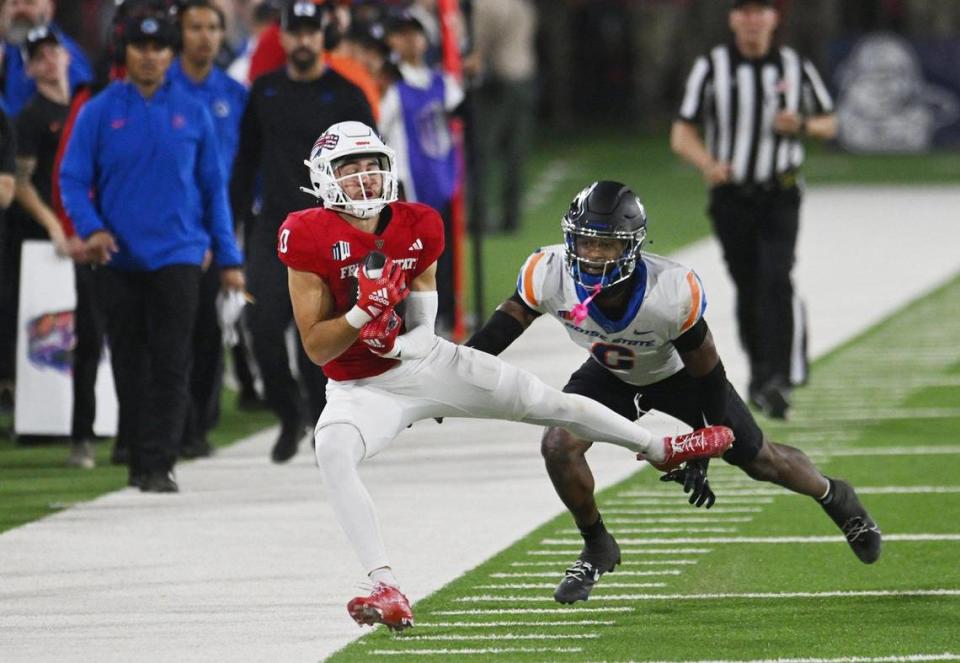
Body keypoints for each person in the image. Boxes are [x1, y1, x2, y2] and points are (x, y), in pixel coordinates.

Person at [279, 121, 734, 631]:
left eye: (372, 167)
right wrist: (365, 314)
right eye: (350, 170)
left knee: (546, 402)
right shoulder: (307, 234)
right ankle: (386, 585)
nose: (364, 179)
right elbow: (318, 348)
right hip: (361, 388)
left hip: (425, 364)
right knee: (332, 452)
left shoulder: (418, 223)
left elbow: (425, 332)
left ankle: (661, 449)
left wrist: (395, 341)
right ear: (323, 178)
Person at [466, 180, 882, 605]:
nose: (592, 255)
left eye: (606, 246)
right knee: (558, 445)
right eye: (585, 242)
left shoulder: (669, 292)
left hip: (682, 377)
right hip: (610, 374)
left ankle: (834, 495)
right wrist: (455, 370)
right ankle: (596, 545)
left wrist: (703, 442)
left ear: (630, 247)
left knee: (761, 460)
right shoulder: (548, 271)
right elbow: (506, 323)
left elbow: (707, 369)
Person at [59, 13, 245, 493]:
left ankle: (160, 462)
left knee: (171, 359)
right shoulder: (98, 111)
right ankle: (139, 458)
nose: (150, 55)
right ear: (127, 53)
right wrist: (91, 229)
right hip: (117, 257)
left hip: (180, 255)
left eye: (159, 47)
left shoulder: (194, 112)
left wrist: (228, 259)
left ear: (170, 53)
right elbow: (73, 179)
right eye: (140, 46)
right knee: (128, 361)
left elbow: (213, 190)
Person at [670, 0, 837, 419]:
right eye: (743, 11)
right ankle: (761, 374)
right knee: (748, 283)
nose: (751, 20)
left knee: (776, 277)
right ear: (732, 19)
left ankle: (779, 376)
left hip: (780, 193)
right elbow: (681, 131)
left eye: (759, 11)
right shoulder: (712, 67)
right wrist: (707, 163)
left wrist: (799, 124)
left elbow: (830, 122)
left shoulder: (794, 67)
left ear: (773, 18)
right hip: (733, 197)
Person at [230, 0, 375, 463]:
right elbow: (245, 162)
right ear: (285, 37)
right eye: (297, 32)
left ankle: (320, 420)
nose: (305, 40)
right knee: (262, 325)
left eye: (313, 31)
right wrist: (232, 226)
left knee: (321, 332)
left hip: (331, 230)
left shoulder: (348, 94)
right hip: (273, 228)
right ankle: (288, 411)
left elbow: (373, 167)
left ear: (323, 35)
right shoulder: (265, 91)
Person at [168, 0, 250, 459]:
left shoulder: (234, 94)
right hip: (176, 224)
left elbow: (244, 164)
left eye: (211, 27)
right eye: (194, 27)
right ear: (180, 33)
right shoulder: (163, 89)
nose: (203, 36)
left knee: (209, 329)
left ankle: (199, 423)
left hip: (222, 222)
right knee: (172, 330)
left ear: (222, 34)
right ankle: (173, 425)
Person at [11, 26, 93, 466]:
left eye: (53, 53)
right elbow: (21, 180)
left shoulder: (86, 105)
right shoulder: (30, 115)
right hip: (45, 245)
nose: (48, 61)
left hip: (85, 233)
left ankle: (98, 425)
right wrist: (53, 225)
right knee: (55, 332)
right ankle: (54, 423)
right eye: (38, 56)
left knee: (93, 334)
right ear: (28, 67)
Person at [379, 10, 463, 333]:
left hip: (443, 178)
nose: (409, 40)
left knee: (444, 255)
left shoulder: (442, 81)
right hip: (408, 185)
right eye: (401, 34)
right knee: (412, 257)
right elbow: (378, 127)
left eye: (415, 33)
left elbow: (461, 109)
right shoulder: (393, 85)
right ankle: (415, 321)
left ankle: (446, 317)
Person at [463, 0, 536, 233]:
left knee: (482, 150)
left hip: (496, 81)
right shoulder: (524, 6)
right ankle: (512, 217)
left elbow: (479, 44)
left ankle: (480, 216)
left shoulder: (485, 5)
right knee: (515, 152)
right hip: (524, 76)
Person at [1, 0, 93, 117]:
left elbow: (77, 106)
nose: (20, 9)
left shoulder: (63, 52)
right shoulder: (10, 51)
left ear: (49, 8)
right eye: (14, 3)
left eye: (29, 3)